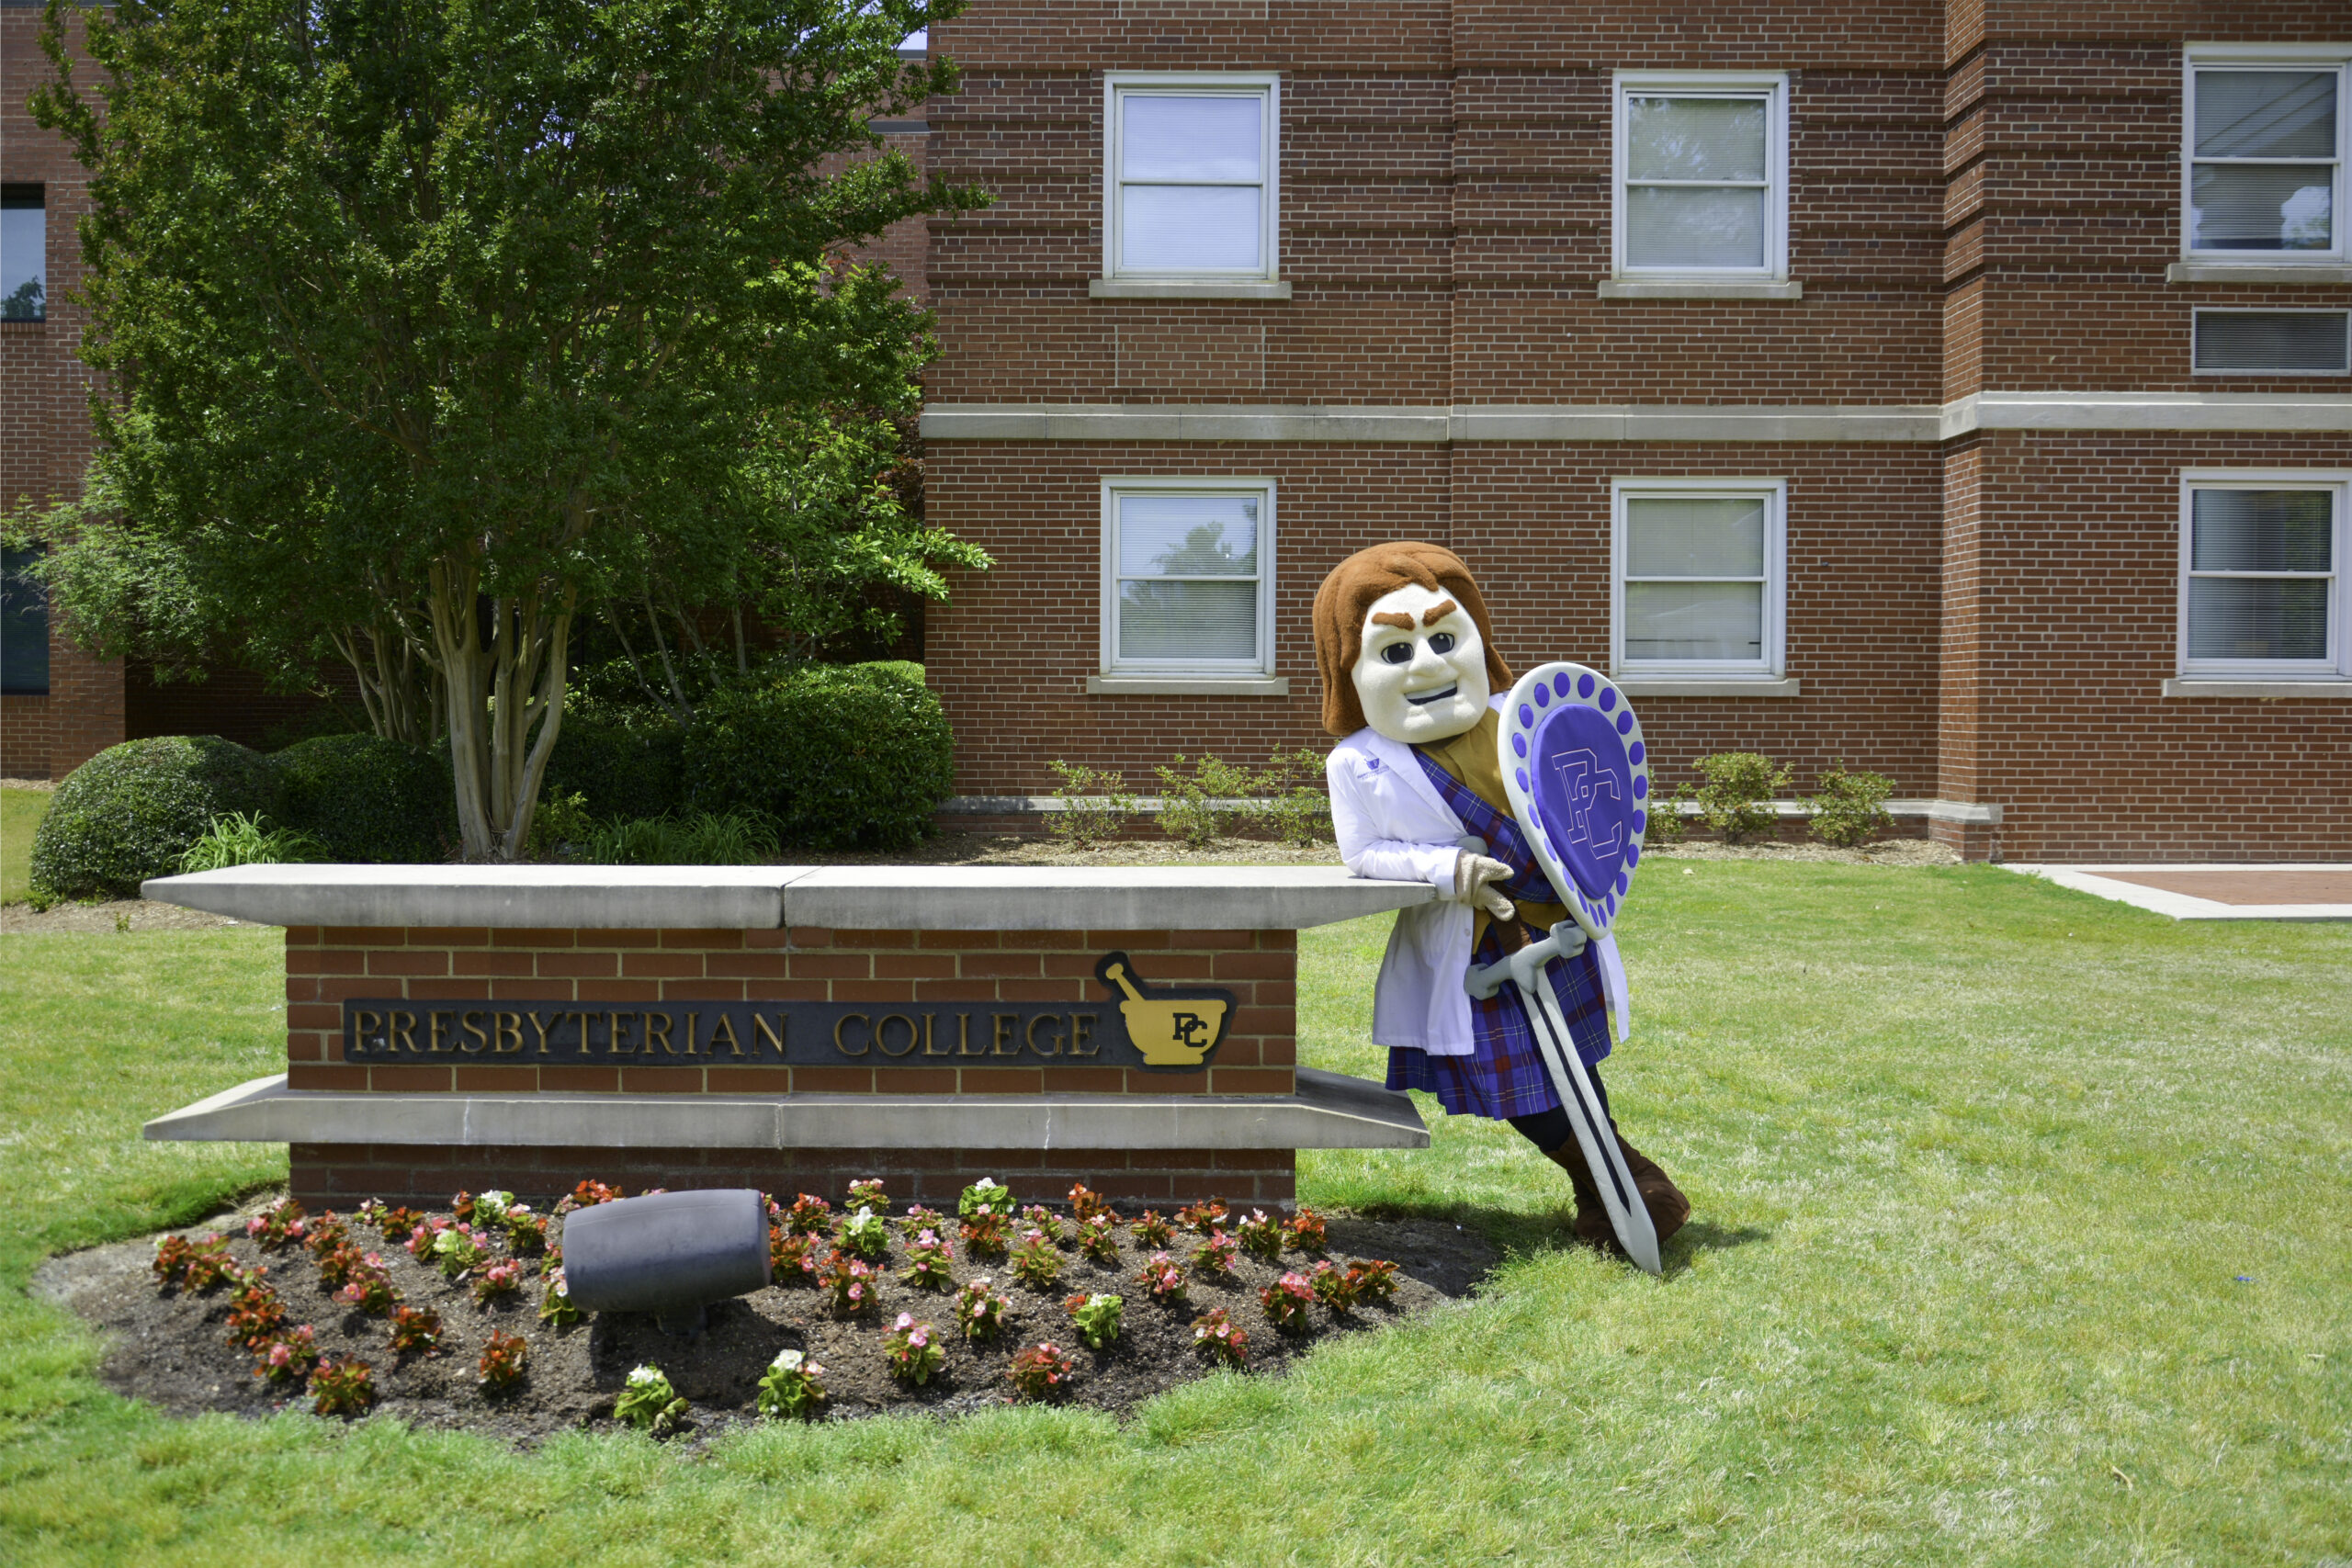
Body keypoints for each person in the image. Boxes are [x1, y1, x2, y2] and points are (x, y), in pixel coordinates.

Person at [1315, 540, 1689, 1250]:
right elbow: (1364, 854)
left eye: (1445, 638)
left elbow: (1593, 808)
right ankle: (1625, 1181)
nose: (1427, 664)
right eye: (1396, 651)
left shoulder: (1532, 719)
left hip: (1560, 932)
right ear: (1349, 669)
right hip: (1476, 955)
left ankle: (1614, 1197)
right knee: (1516, 1081)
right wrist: (1447, 867)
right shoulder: (1359, 763)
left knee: (1571, 1065)